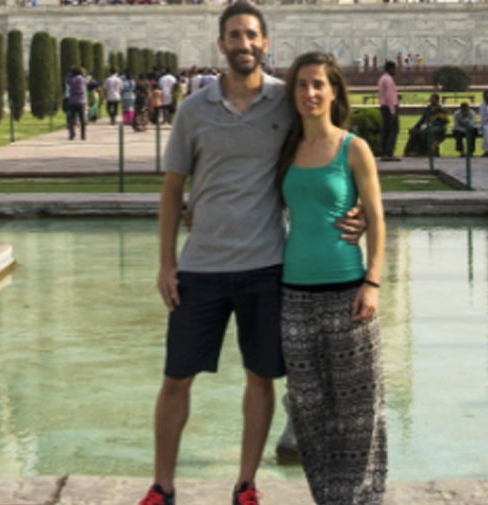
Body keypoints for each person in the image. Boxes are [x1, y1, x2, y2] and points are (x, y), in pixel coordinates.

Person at [142, 4, 364, 505]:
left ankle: (245, 483)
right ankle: (162, 485)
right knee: (176, 378)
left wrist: (364, 210)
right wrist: (166, 262)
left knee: (259, 378)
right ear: (221, 44)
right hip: (200, 266)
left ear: (265, 42)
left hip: (267, 266)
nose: (243, 43)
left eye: (251, 35)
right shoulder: (194, 109)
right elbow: (172, 187)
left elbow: (335, 146)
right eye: (234, 36)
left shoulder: (285, 102)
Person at [277, 51, 387, 505]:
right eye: (302, 85)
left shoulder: (353, 147)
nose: (310, 92)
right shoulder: (285, 148)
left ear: (335, 91)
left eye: (319, 84)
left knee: (359, 412)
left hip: (349, 292)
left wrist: (373, 282)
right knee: (308, 410)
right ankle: (328, 498)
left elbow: (378, 220)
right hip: (294, 296)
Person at [405, 93, 448, 157]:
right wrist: (415, 127)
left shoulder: (440, 110)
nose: (431, 100)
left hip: (438, 128)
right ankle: (414, 151)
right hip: (426, 126)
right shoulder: (428, 109)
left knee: (428, 132)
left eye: (432, 99)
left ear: (437, 100)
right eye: (430, 99)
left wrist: (432, 125)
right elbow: (422, 119)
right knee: (415, 132)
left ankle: (429, 151)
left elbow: (444, 121)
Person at [377, 61, 400, 161]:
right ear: (390, 69)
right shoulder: (389, 80)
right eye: (394, 69)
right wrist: (393, 111)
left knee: (386, 130)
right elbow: (390, 97)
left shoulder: (382, 78)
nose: (395, 71)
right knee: (393, 130)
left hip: (383, 107)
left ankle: (384, 153)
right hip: (389, 108)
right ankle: (389, 153)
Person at [65, 66, 89, 140]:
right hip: (81, 101)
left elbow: (66, 80)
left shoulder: (71, 80)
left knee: (72, 119)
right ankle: (83, 135)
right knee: (82, 120)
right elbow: (87, 80)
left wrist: (70, 73)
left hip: (72, 101)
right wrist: (83, 74)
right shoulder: (83, 79)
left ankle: (72, 134)